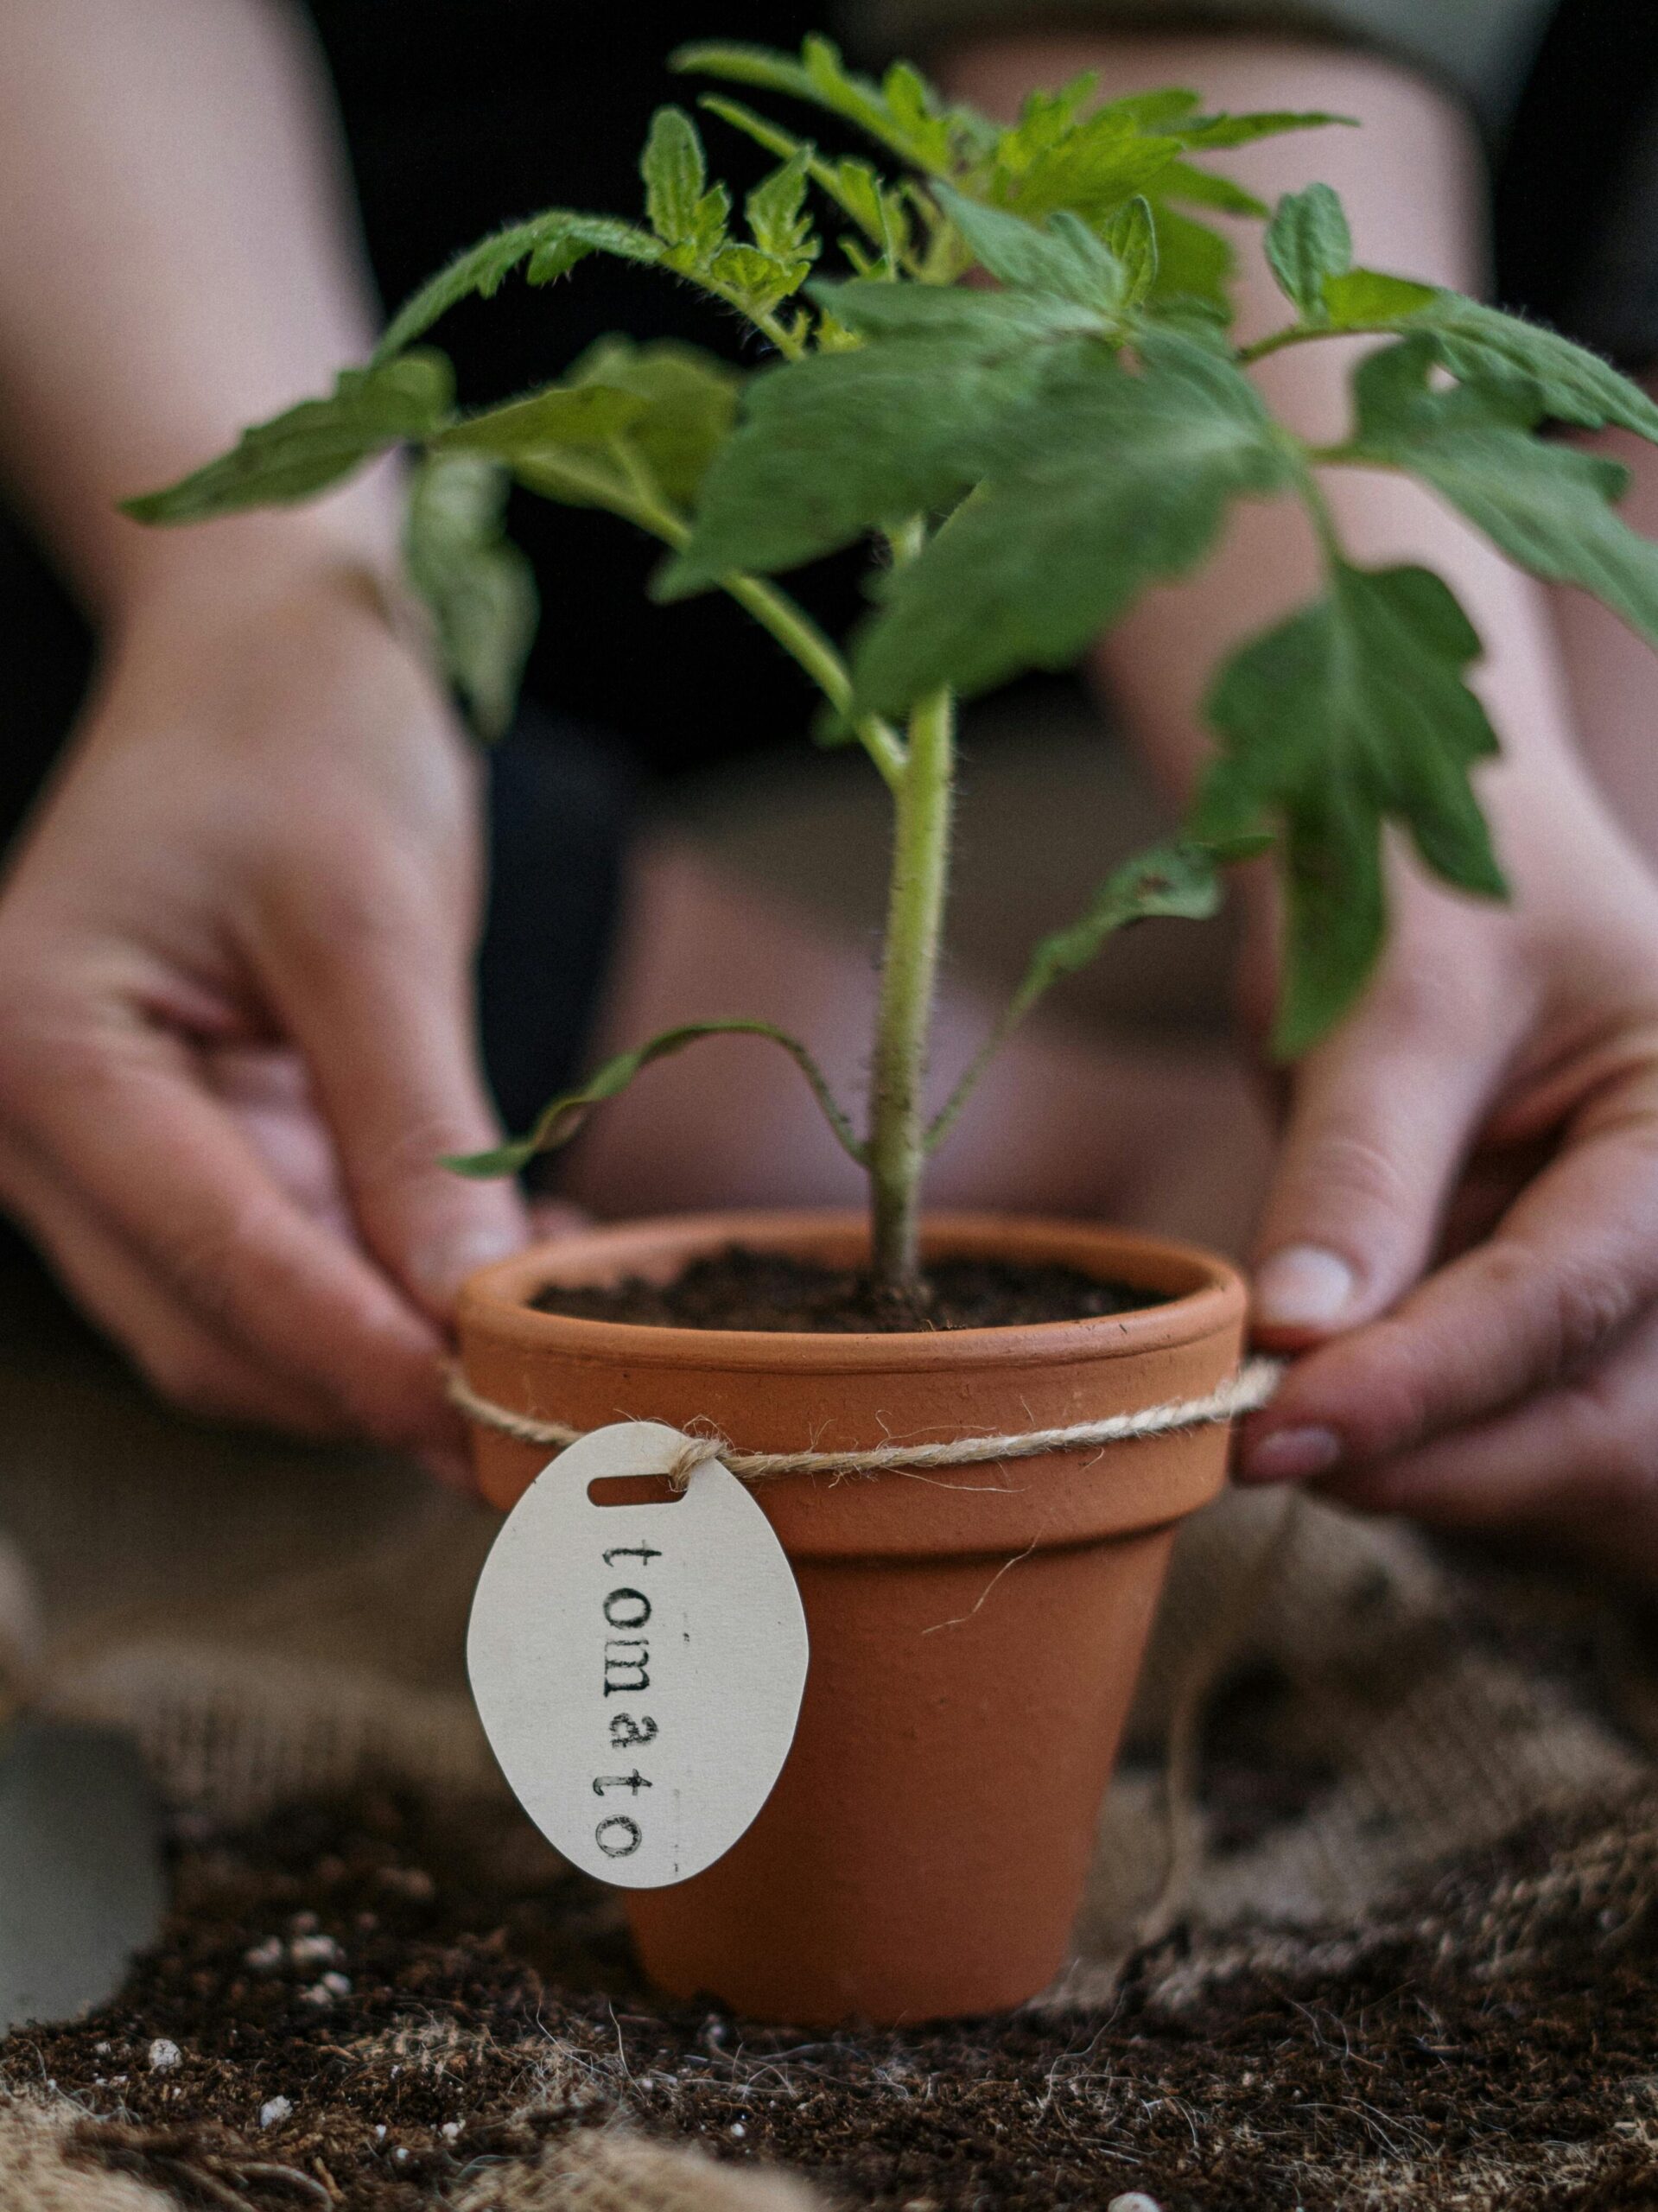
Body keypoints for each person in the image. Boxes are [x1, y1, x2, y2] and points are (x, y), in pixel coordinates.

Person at [3, 2, 1658, 1579]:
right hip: (287, 309)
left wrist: (1449, 825)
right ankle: (1088, 1151)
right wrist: (257, 609)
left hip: (1165, 355)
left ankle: (1516, 1040)